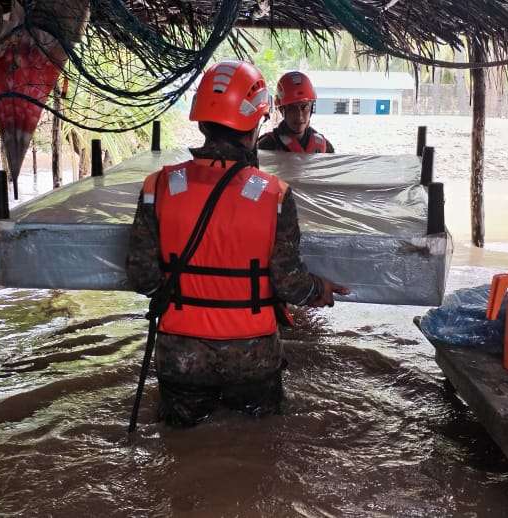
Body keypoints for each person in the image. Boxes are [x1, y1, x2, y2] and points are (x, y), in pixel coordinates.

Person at [126, 60, 349, 428]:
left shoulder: (157, 186)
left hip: (183, 358)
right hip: (254, 356)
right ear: (256, 124)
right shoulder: (275, 195)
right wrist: (318, 289)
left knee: (178, 455)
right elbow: (288, 283)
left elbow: (143, 277)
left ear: (201, 123)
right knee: (261, 452)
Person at [257, 71, 335, 154]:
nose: (299, 116)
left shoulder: (325, 147)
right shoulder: (266, 145)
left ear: (311, 108)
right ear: (281, 110)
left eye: (305, 107)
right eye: (292, 108)